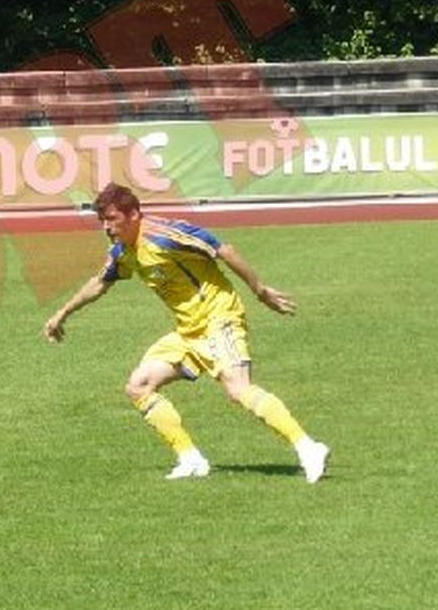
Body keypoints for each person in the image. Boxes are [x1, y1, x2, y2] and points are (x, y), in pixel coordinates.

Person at [43, 183, 330, 483]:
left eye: (112, 219)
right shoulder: (123, 251)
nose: (107, 227)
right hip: (188, 333)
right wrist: (63, 313)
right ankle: (191, 459)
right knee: (139, 385)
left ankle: (308, 448)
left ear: (134, 215)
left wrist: (260, 290)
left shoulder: (165, 236)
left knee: (238, 389)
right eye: (102, 220)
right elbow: (100, 282)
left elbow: (222, 249)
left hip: (220, 319)